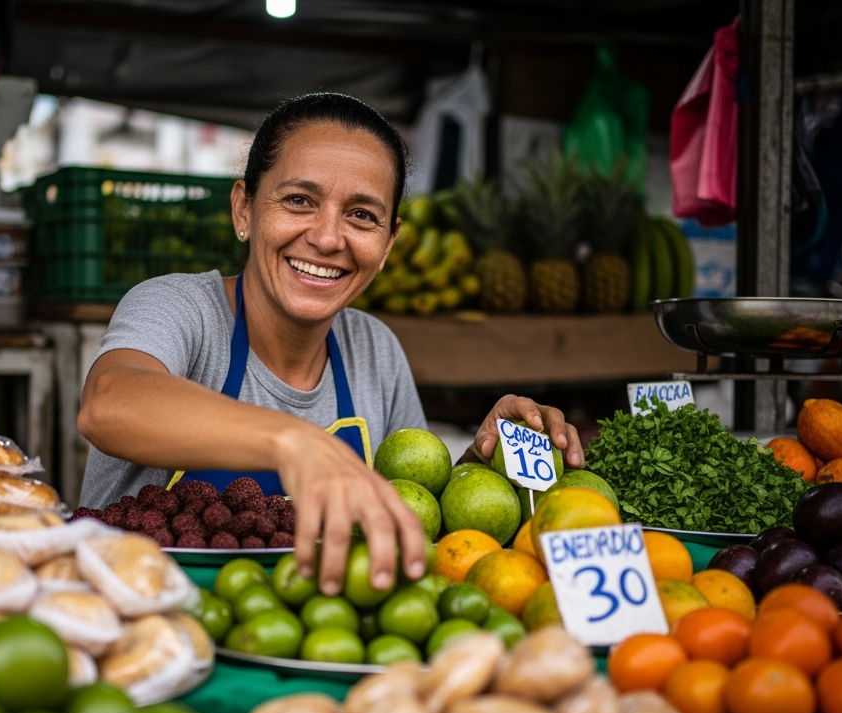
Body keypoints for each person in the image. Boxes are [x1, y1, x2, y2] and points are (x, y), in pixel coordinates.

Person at [77, 93, 583, 597]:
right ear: (244, 208)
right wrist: (291, 441)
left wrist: (481, 461)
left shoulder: (374, 349)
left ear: (388, 244)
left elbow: (412, 512)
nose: (327, 238)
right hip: (141, 626)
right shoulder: (180, 308)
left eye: (362, 215)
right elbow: (109, 404)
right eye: (299, 200)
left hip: (305, 641)